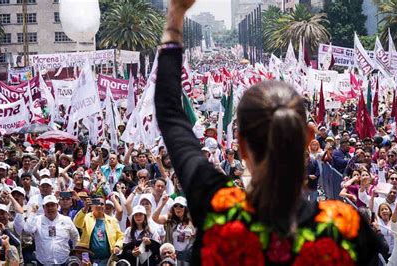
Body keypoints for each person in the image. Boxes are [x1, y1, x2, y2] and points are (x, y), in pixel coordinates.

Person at [153, 1, 378, 264]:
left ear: (242, 145)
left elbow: (170, 114)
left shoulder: (220, 210)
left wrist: (175, 19)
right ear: (308, 137)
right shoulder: (345, 228)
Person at [17, 195, 80, 265]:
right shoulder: (37, 220)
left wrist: (76, 253)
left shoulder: (66, 220)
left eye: (52, 205)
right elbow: (28, 229)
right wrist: (33, 212)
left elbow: (75, 237)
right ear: (43, 208)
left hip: (63, 261)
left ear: (57, 206)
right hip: (43, 263)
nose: (50, 208)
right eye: (47, 206)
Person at [73, 194, 124, 265]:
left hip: (108, 260)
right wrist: (85, 209)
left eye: (102, 204)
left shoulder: (112, 220)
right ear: (92, 205)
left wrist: (117, 246)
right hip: (89, 260)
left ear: (105, 206)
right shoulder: (86, 217)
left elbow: (120, 236)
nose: (99, 205)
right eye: (97, 203)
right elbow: (77, 223)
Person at [152, 195, 195, 265]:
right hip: (171, 254)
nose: (178, 208)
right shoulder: (169, 219)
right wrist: (162, 204)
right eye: (175, 206)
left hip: (188, 254)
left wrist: (193, 236)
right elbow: (154, 218)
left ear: (185, 208)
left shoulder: (191, 221)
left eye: (181, 206)